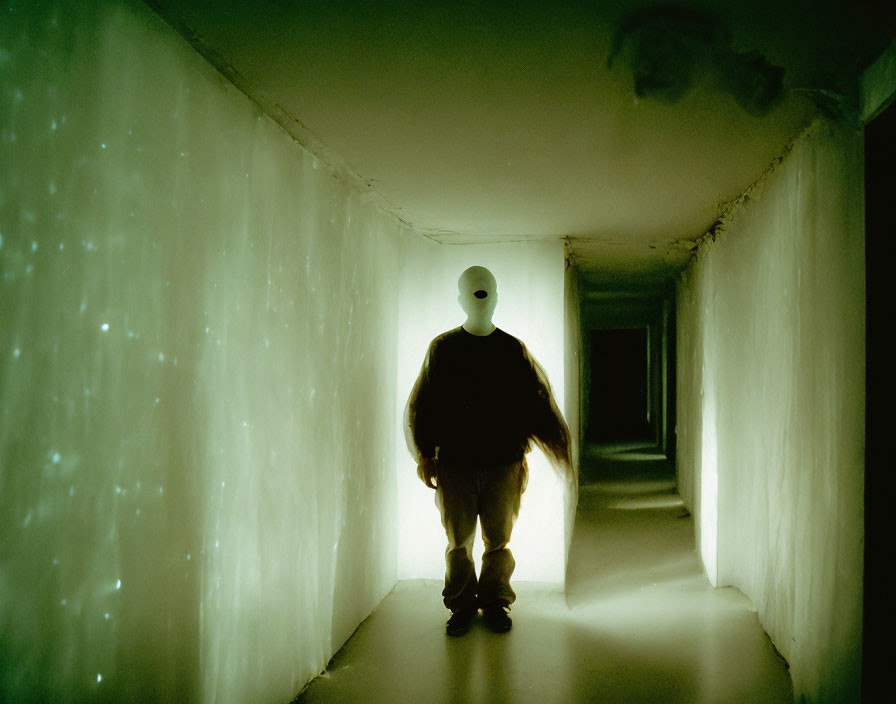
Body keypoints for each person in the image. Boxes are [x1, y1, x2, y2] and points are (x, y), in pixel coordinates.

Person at [405, 266, 572, 636]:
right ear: (461, 298)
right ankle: (463, 604)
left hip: (502, 463)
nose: (481, 299)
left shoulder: (511, 350)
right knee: (459, 541)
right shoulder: (443, 349)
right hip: (456, 463)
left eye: (486, 292)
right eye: (475, 292)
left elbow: (532, 404)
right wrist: (427, 455)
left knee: (497, 539)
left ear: (495, 297)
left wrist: (519, 457)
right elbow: (425, 406)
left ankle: (494, 600)